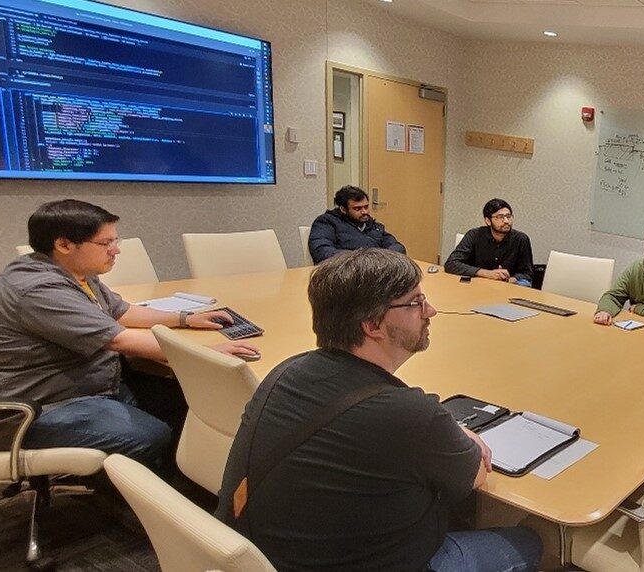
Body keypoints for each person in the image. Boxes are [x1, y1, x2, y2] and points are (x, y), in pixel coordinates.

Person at [215, 249, 542, 572]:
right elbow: (475, 474)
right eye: (416, 302)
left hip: (263, 553)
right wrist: (460, 431)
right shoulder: (409, 413)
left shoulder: (286, 371)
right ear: (373, 324)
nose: (431, 310)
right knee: (533, 541)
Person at [0, 200, 258, 466]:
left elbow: (123, 311)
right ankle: (129, 498)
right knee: (151, 435)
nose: (116, 250)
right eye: (106, 243)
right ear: (64, 245)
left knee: (184, 402)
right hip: (18, 409)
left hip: (69, 385)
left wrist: (185, 318)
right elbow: (119, 339)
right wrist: (204, 353)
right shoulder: (36, 290)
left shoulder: (74, 274)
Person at [444, 198, 534, 286]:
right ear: (488, 221)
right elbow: (451, 263)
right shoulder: (474, 235)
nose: (506, 221)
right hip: (476, 287)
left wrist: (510, 280)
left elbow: (527, 273)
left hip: (507, 289)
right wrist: (487, 274)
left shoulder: (521, 239)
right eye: (500, 217)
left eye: (508, 216)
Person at [308, 185, 406, 263]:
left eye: (366, 207)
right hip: (344, 275)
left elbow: (397, 247)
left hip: (375, 272)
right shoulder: (327, 222)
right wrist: (363, 259)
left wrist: (380, 258)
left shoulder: (374, 226)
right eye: (357, 209)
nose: (364, 212)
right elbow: (322, 251)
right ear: (343, 209)